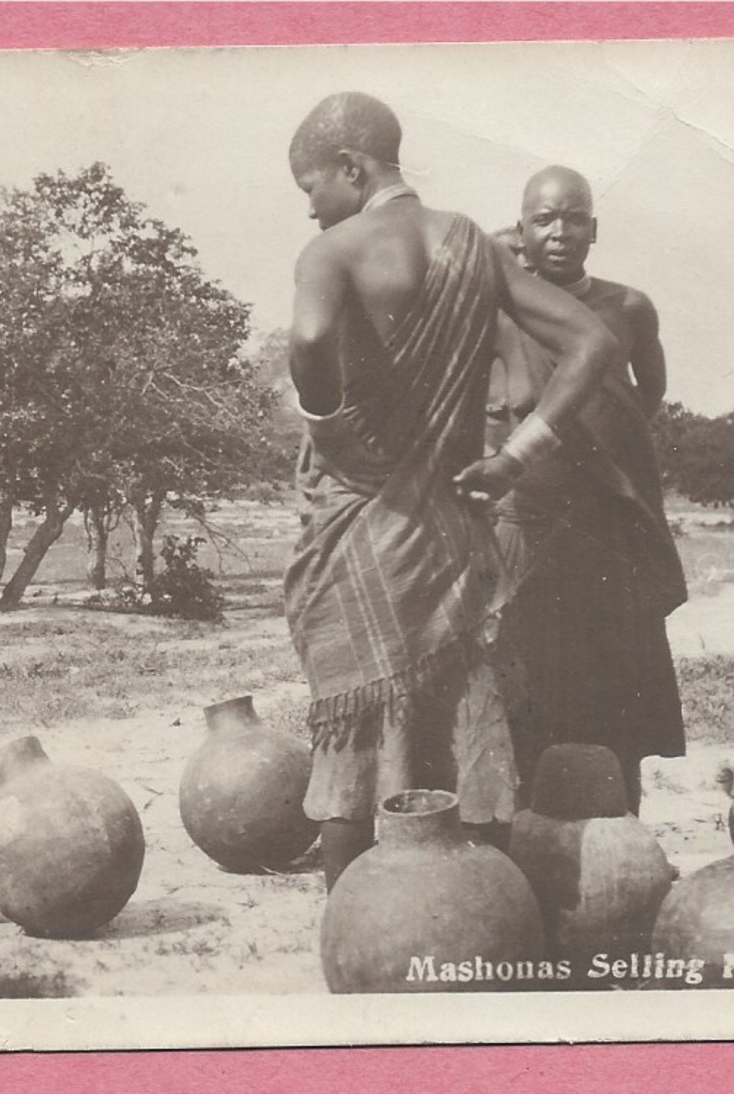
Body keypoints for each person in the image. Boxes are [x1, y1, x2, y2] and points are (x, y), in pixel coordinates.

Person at [280, 93, 623, 890]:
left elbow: (305, 338)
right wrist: (519, 453)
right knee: (463, 711)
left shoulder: (333, 251)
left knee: (355, 733)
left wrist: (329, 433)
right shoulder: (472, 242)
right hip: (452, 521)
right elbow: (592, 340)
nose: (309, 209)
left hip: (361, 527)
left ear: (350, 168)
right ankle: (483, 910)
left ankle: (354, 924)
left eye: (310, 189)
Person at [488, 166, 688, 813]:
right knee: (524, 687)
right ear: (521, 231)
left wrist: (606, 443)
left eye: (573, 217)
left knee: (616, 692)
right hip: (529, 522)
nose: (559, 231)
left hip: (608, 525)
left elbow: (645, 394)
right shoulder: (500, 308)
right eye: (542, 218)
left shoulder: (628, 307)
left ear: (593, 229)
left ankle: (618, 837)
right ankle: (528, 841)